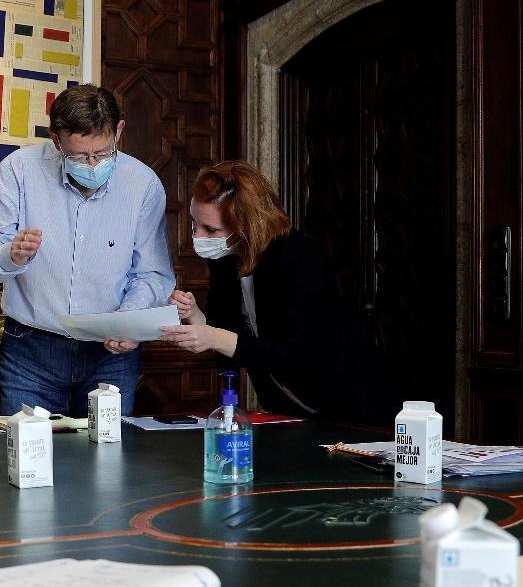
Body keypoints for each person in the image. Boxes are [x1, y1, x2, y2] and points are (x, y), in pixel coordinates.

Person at [0, 84, 174, 416]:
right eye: (79, 156)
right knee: (27, 461)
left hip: (111, 356)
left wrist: (127, 320)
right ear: (55, 138)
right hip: (31, 351)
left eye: (103, 153)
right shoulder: (18, 171)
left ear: (118, 130)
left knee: (107, 464)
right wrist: (11, 255)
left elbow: (152, 275)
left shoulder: (143, 184)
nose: (92, 165)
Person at [160, 160, 394, 423]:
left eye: (210, 229)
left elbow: (294, 353)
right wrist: (195, 316)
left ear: (246, 225)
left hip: (348, 404)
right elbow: (228, 337)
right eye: (195, 224)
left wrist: (213, 336)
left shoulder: (294, 256)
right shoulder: (224, 258)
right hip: (286, 410)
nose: (198, 237)